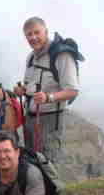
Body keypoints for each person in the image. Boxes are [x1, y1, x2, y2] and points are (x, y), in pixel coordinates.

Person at [14, 17, 80, 165]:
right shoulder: (31, 57)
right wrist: (22, 90)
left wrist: (48, 97)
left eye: (37, 32)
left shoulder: (61, 55)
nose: (33, 37)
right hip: (30, 119)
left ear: (46, 31)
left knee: (47, 163)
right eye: (29, 35)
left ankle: (52, 189)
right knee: (31, 161)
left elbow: (72, 90)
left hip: (50, 120)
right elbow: (32, 86)